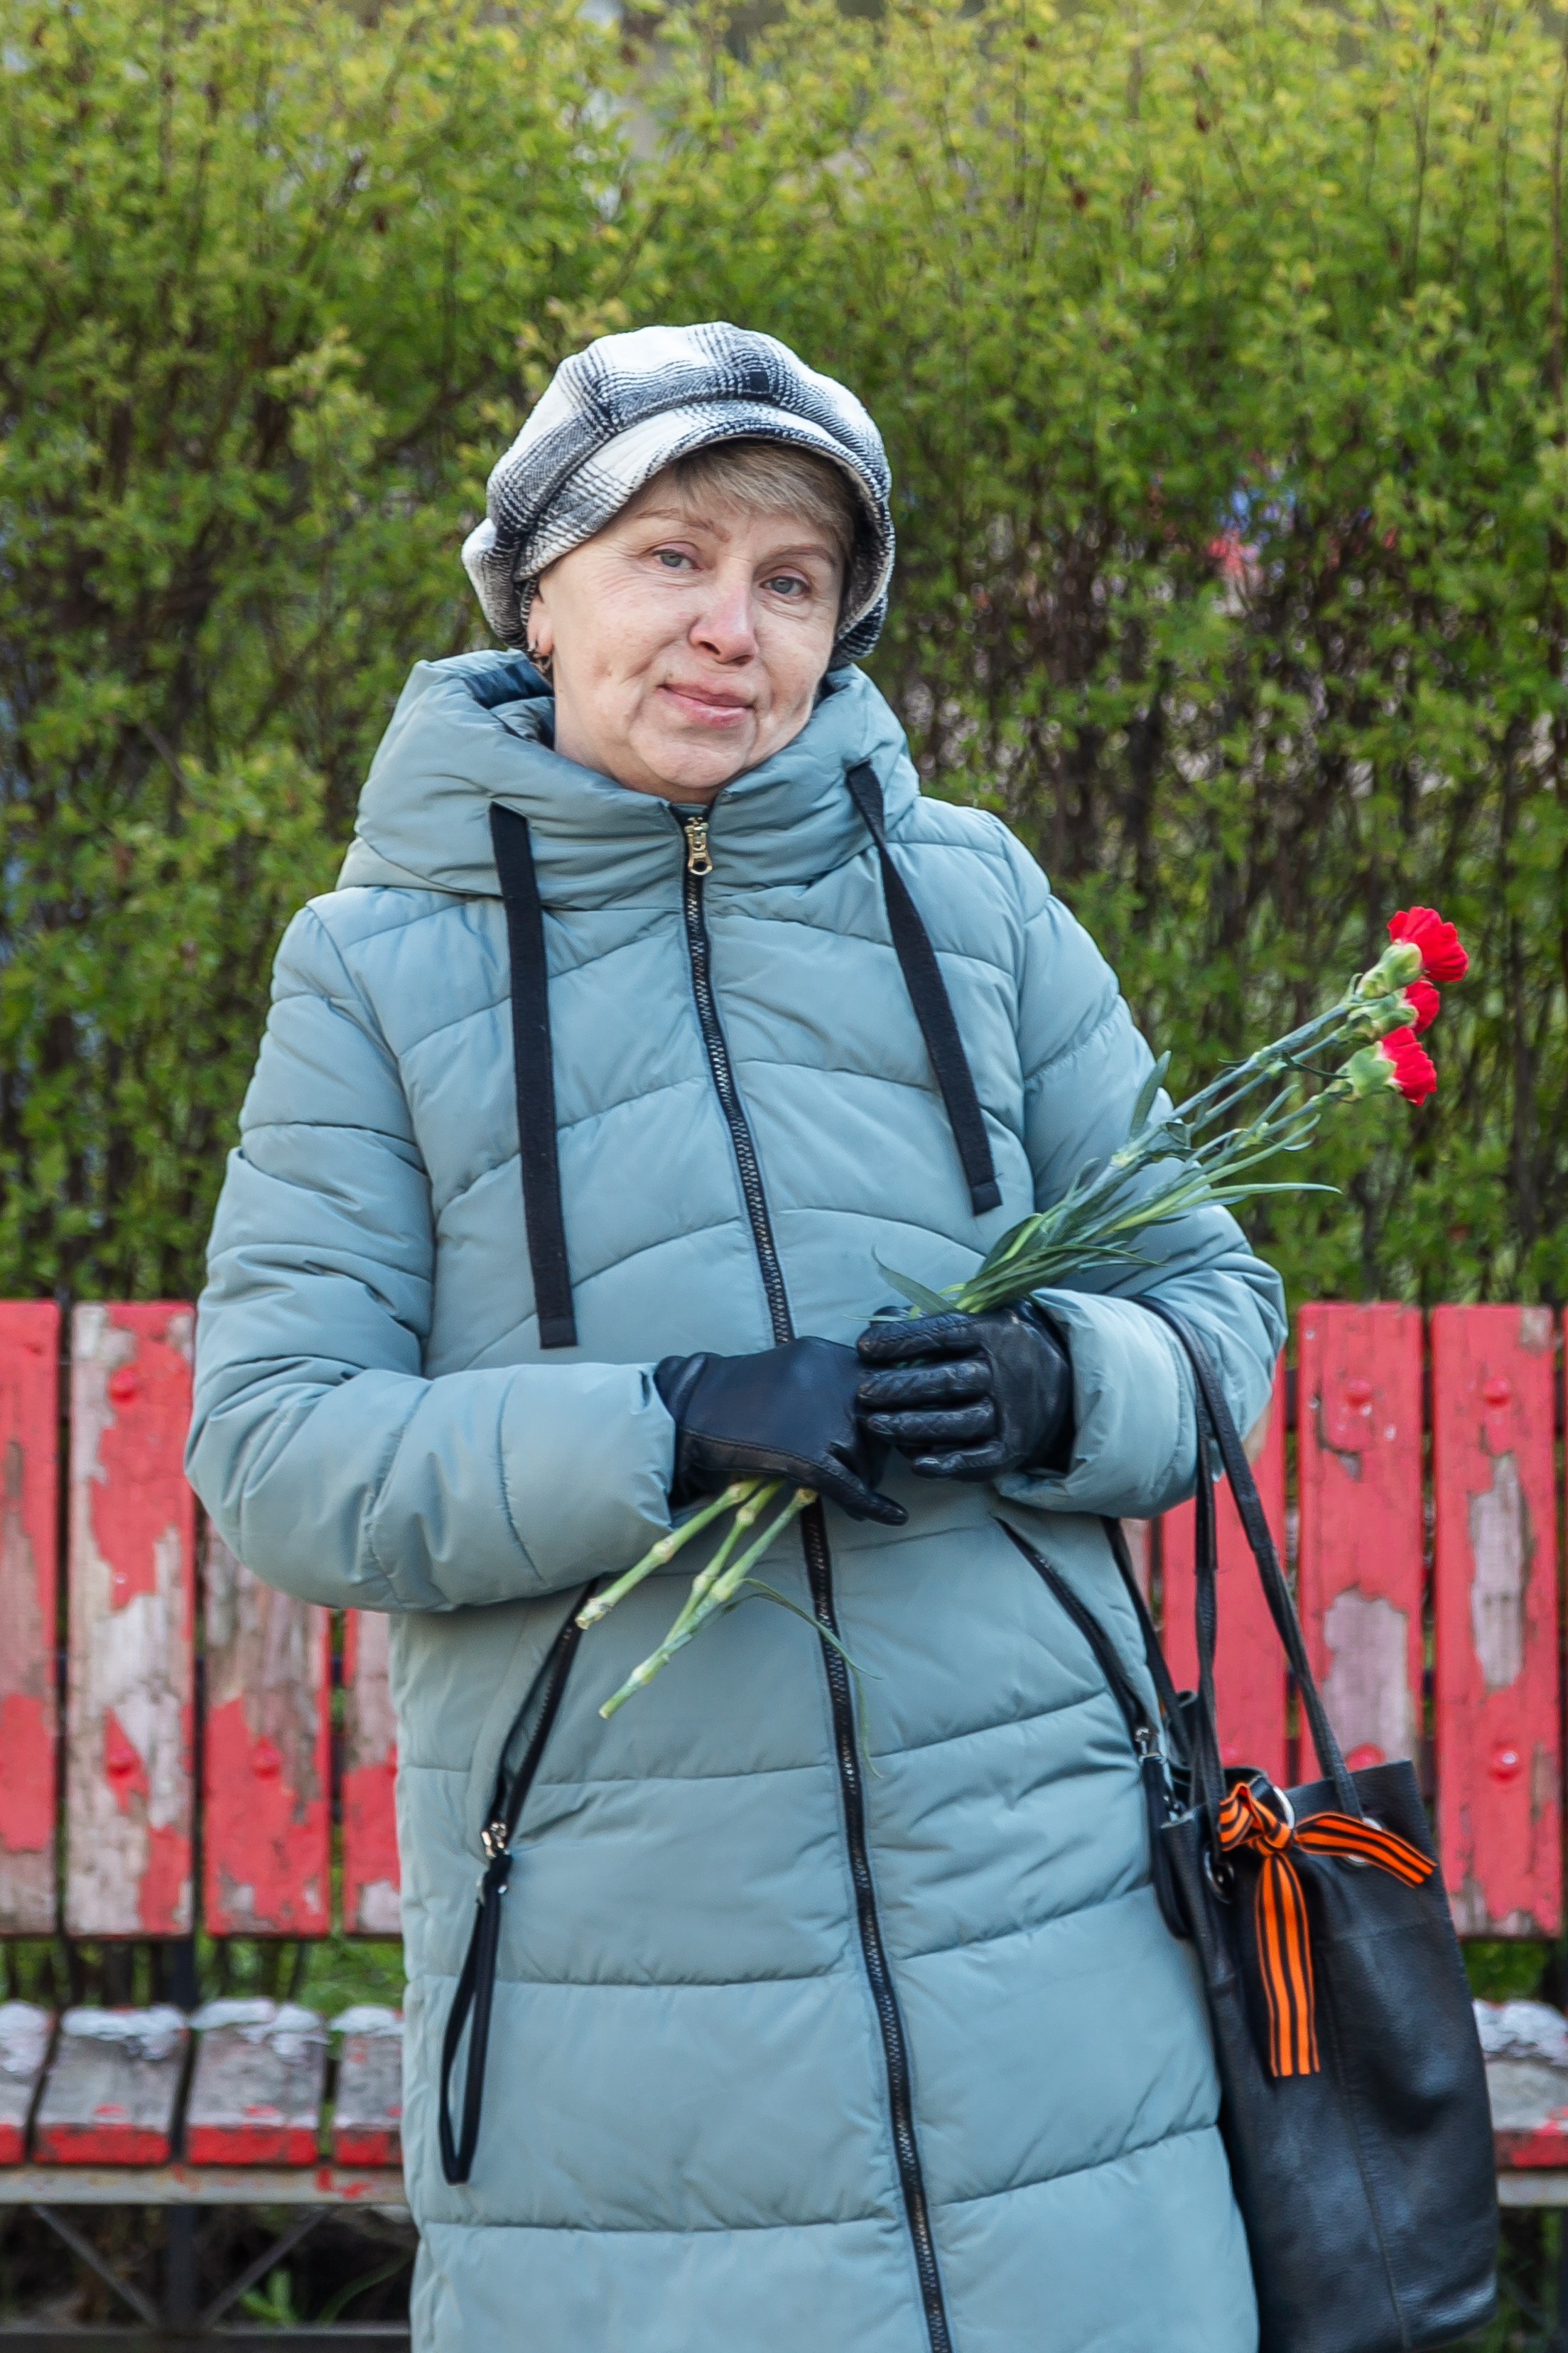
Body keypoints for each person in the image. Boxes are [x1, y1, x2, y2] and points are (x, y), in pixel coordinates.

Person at [188, 321, 1284, 2353]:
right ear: (540, 584)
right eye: (670, 555)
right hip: (628, 2052)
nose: (728, 628)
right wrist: (664, 1425)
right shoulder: (374, 970)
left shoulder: (978, 904)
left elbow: (1217, 1313)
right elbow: (276, 1451)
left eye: (791, 582)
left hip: (1064, 2001)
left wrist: (1066, 1384)